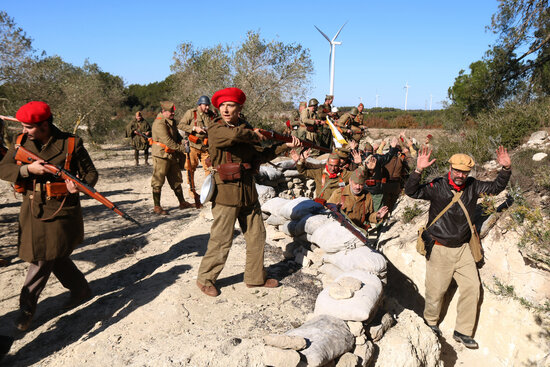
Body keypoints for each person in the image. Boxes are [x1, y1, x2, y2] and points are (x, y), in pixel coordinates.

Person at [0, 101, 98, 331]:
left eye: (28, 126)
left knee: (42, 258)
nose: (23, 130)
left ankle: (26, 310)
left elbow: (91, 174)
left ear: (44, 125)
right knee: (56, 255)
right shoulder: (21, 143)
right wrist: (26, 170)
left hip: (61, 209)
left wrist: (80, 186)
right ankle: (80, 289)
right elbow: (2, 168)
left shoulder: (71, 143)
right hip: (32, 210)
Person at [196, 87, 301, 297]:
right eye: (223, 105)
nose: (226, 109)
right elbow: (232, 138)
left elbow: (259, 156)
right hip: (225, 192)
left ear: (239, 108)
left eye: (231, 105)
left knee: (256, 236)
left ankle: (254, 278)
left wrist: (283, 145)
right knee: (222, 239)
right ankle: (205, 279)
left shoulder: (246, 128)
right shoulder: (216, 127)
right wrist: (254, 134)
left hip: (247, 190)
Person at [404, 146, 512, 349]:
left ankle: (462, 331)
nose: (461, 175)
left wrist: (505, 169)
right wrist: (417, 171)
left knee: (472, 288)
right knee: (436, 291)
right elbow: (411, 191)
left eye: (465, 172)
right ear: (450, 168)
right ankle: (431, 323)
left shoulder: (473, 186)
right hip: (439, 247)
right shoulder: (438, 186)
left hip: (463, 249)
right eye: (457, 171)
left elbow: (496, 188)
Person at [151, 101, 193, 214]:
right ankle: (157, 206)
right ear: (163, 111)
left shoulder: (171, 121)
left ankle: (182, 202)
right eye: (171, 112)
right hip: (161, 155)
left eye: (173, 111)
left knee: (176, 179)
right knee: (158, 181)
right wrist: (183, 149)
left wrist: (182, 141)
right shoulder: (159, 123)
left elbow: (176, 136)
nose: (173, 113)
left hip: (171, 154)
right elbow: (168, 142)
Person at [178, 95, 216, 202]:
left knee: (209, 168)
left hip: (206, 146)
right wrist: (194, 128)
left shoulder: (212, 115)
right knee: (190, 168)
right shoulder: (191, 113)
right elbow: (181, 125)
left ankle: (210, 190)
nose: (207, 108)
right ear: (200, 104)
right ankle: (192, 190)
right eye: (205, 105)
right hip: (193, 146)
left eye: (208, 105)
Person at [363, 137, 399, 211]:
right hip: (373, 189)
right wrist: (392, 148)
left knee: (368, 209)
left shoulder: (361, 158)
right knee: (374, 210)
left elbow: (388, 157)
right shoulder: (377, 158)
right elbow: (388, 156)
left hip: (368, 189)